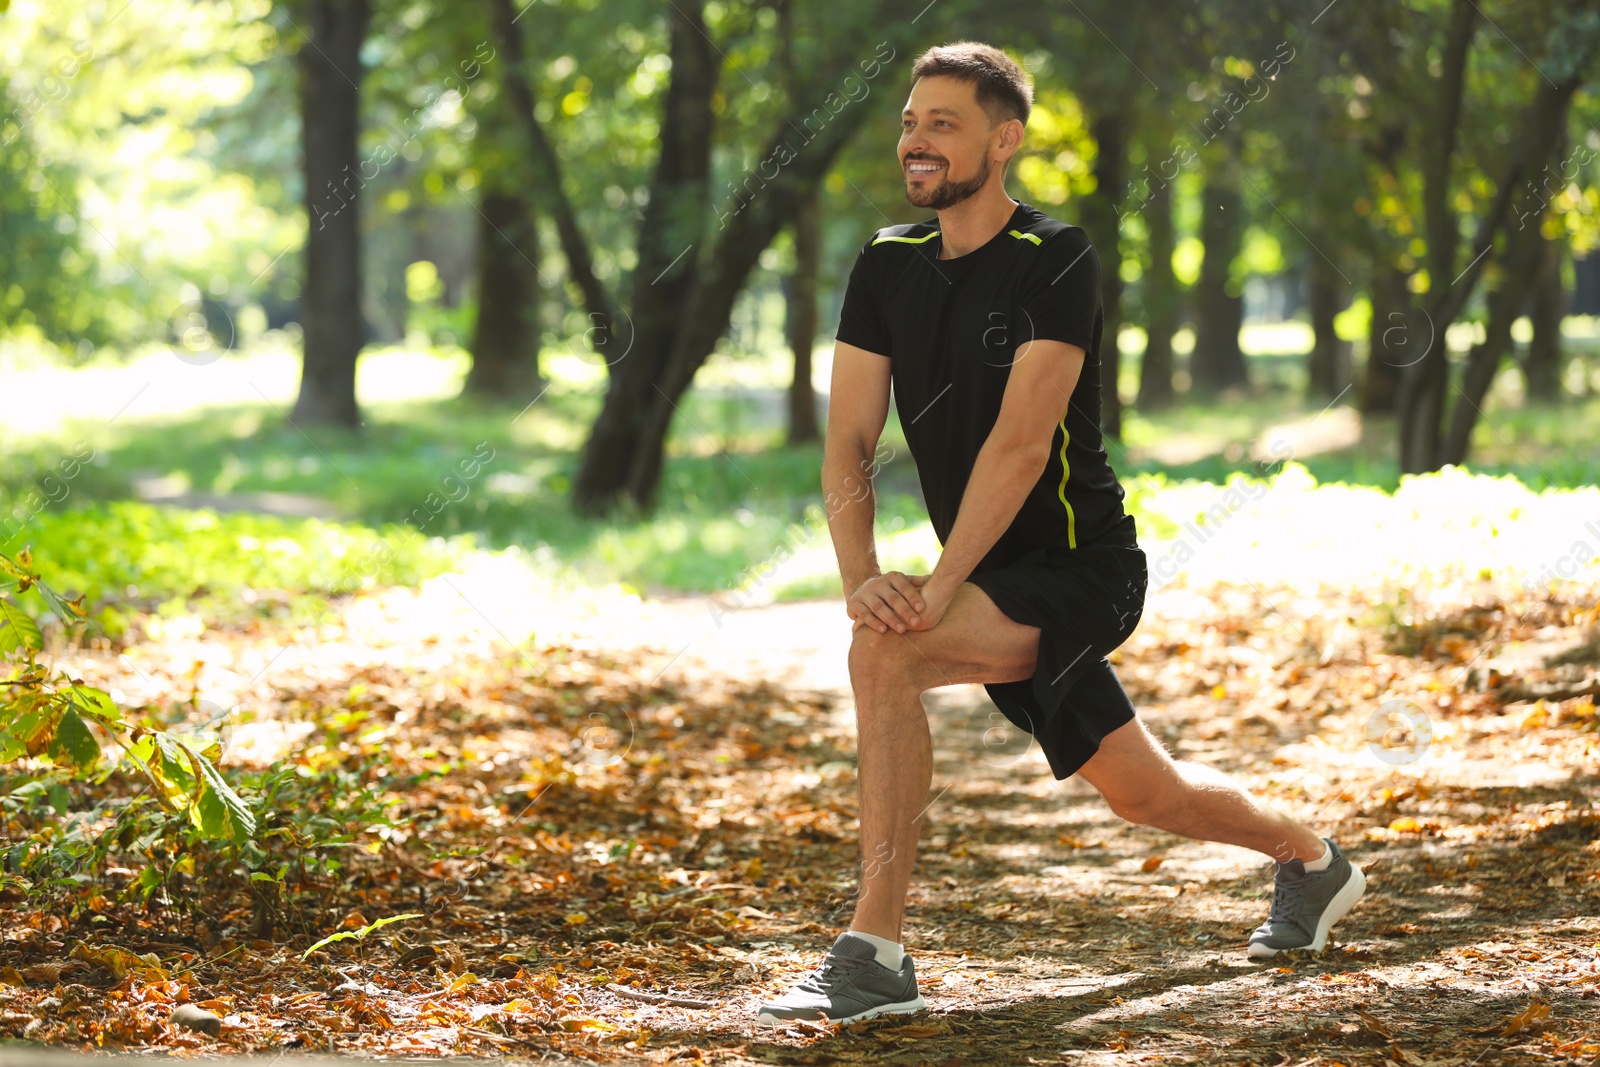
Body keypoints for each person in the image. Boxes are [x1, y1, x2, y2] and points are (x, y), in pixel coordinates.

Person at [756, 41, 1366, 1027]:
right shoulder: (885, 264)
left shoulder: (1056, 257)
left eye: (942, 124)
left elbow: (1020, 446)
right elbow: (849, 441)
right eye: (910, 122)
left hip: (1083, 570)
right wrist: (860, 574)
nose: (916, 140)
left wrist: (934, 588)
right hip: (988, 578)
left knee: (886, 654)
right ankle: (1312, 859)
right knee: (1143, 793)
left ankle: (870, 954)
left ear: (1004, 141)